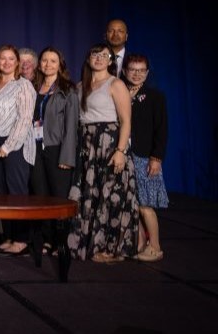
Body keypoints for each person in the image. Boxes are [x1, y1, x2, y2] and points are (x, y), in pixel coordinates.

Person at [68, 43, 139, 262]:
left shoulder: (115, 84)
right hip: (87, 145)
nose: (99, 58)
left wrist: (120, 151)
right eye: (94, 54)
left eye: (104, 55)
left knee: (110, 196)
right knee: (90, 194)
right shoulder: (80, 86)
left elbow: (126, 121)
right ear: (88, 58)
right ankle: (88, 244)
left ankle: (109, 247)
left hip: (109, 144)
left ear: (110, 61)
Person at [0, 45, 36, 256]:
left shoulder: (24, 85)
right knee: (1, 193)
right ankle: (10, 236)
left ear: (17, 62)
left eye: (11, 59)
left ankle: (22, 239)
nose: (6, 62)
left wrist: (8, 146)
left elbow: (24, 119)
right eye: (2, 59)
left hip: (15, 144)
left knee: (17, 192)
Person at [29, 47, 78, 254]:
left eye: (53, 61)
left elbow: (72, 127)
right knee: (41, 196)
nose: (48, 64)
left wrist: (67, 157)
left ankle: (62, 242)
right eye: (45, 60)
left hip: (57, 149)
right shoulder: (33, 87)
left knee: (58, 197)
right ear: (39, 63)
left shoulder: (67, 89)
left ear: (60, 65)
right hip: (35, 149)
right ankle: (47, 240)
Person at [122, 54, 168, 262]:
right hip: (125, 154)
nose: (137, 73)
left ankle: (155, 246)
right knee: (132, 204)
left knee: (145, 205)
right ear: (124, 71)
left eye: (141, 70)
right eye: (133, 69)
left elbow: (161, 130)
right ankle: (140, 243)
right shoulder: (120, 92)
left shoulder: (155, 97)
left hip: (144, 156)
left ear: (147, 73)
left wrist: (156, 157)